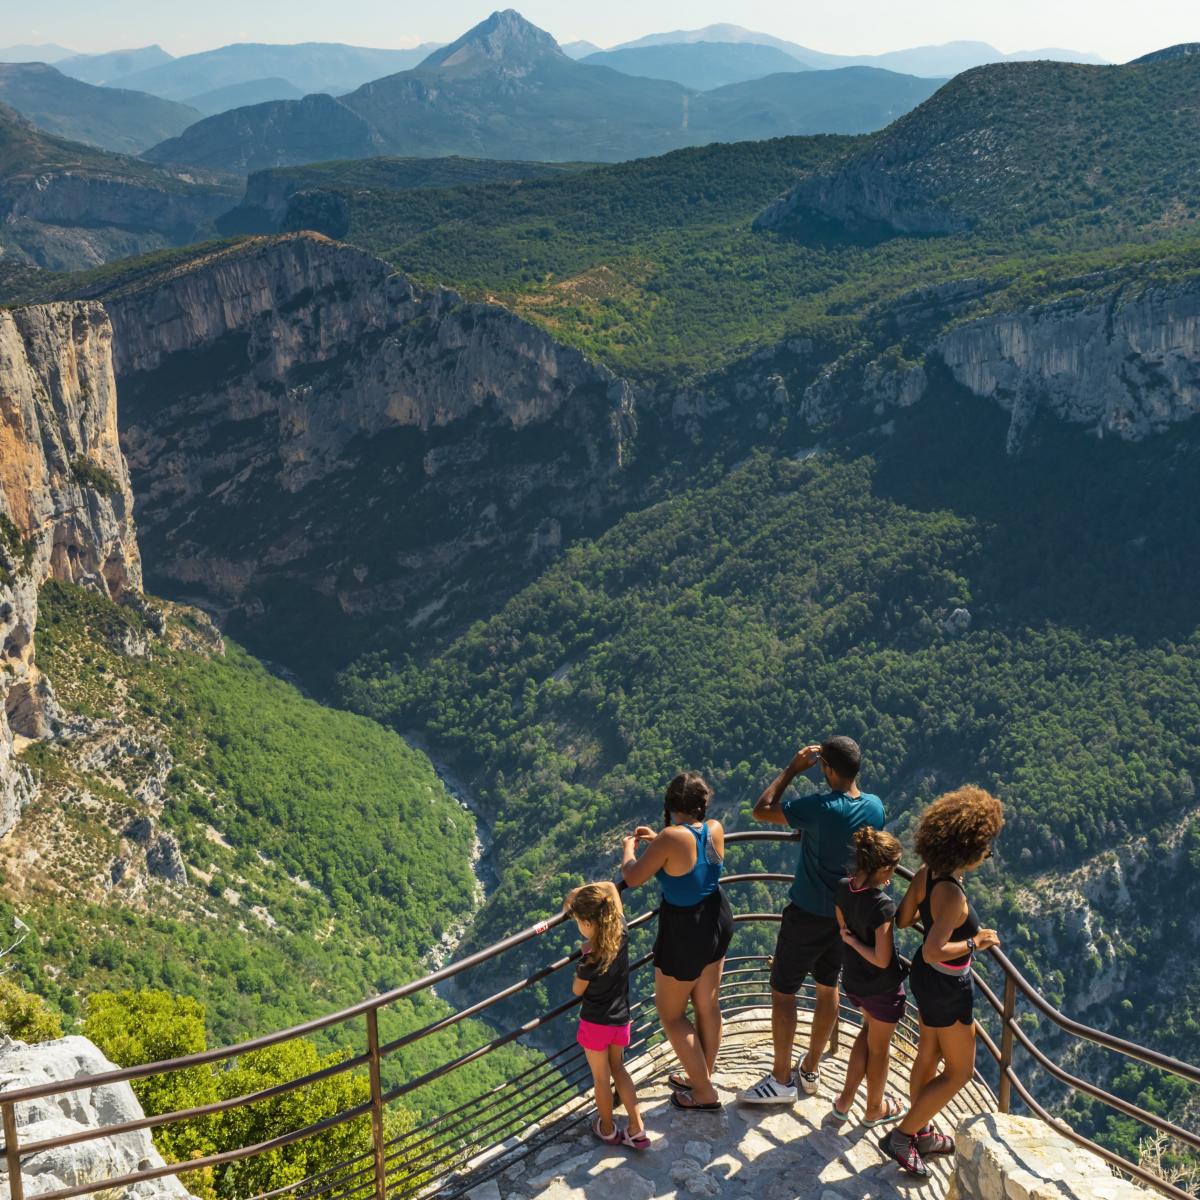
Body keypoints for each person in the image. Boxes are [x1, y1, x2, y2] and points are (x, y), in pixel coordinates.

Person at [738, 736, 884, 1104]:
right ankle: (811, 1068)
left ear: (827, 769)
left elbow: (762, 809)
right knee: (827, 986)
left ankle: (781, 1079)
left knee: (784, 991)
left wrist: (791, 768)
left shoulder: (820, 809)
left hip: (807, 913)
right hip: (846, 916)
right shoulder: (875, 808)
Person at [881, 787, 1004, 1177]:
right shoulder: (953, 895)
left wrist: (928, 918)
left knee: (929, 1056)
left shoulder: (926, 874)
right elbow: (936, 951)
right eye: (986, 847)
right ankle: (903, 1136)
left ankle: (921, 1130)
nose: (988, 854)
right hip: (948, 985)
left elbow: (902, 920)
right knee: (960, 1072)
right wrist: (975, 941)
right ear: (967, 849)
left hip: (924, 977)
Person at [621, 771, 732, 1112]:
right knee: (707, 1003)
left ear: (670, 806)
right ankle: (703, 1075)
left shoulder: (669, 838)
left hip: (685, 930)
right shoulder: (714, 828)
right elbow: (698, 861)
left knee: (671, 1014)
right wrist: (660, 843)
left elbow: (634, 877)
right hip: (717, 917)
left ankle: (703, 1092)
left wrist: (630, 849)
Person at [564, 881, 650, 1149]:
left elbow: (577, 990)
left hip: (595, 1024)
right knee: (619, 1069)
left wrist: (583, 954)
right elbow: (611, 887)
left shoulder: (589, 960)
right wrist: (582, 894)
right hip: (620, 1019)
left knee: (601, 1079)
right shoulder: (621, 934)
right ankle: (637, 1128)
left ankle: (608, 1129)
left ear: (588, 924)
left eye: (578, 920)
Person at [831, 826, 906, 1126]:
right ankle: (875, 1109)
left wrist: (849, 941)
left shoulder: (841, 887)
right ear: (884, 868)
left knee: (866, 1033)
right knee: (880, 1050)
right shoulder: (882, 906)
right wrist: (855, 943)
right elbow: (882, 958)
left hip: (854, 982)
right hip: (881, 990)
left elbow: (842, 926)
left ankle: (844, 1102)